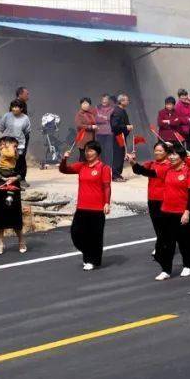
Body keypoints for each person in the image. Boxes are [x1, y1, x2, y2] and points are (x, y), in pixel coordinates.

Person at [129, 144, 190, 280]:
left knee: (184, 241)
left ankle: (187, 265)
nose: (172, 157)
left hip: (182, 212)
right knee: (166, 242)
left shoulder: (189, 172)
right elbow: (148, 173)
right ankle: (166, 269)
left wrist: (187, 212)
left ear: (182, 157)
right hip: (166, 211)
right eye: (170, 154)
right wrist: (133, 163)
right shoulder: (167, 170)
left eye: (175, 155)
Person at [59, 141, 111, 270]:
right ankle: (88, 253)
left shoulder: (103, 168)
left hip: (97, 208)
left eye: (91, 150)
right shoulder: (81, 166)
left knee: (95, 236)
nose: (88, 153)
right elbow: (64, 170)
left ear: (97, 153)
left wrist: (107, 203)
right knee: (76, 233)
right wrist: (64, 158)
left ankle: (92, 260)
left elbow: (107, 187)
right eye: (87, 150)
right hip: (82, 207)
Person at [131, 141, 170, 259]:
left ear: (166, 152)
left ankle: (162, 247)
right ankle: (163, 244)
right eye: (156, 150)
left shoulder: (168, 165)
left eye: (160, 151)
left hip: (165, 200)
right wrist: (132, 162)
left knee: (164, 226)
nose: (157, 153)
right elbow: (138, 170)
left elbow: (149, 173)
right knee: (157, 225)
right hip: (152, 199)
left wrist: (134, 163)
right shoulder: (151, 163)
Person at [0, 136, 27, 255]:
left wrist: (15, 178)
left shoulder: (20, 158)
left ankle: (21, 241)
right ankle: (0, 244)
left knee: (15, 215)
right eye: (13, 145)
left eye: (16, 146)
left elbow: (23, 171)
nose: (15, 148)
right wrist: (3, 178)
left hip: (13, 189)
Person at [109, 93, 133, 181]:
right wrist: (126, 127)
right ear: (121, 101)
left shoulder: (122, 110)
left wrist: (128, 127)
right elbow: (114, 126)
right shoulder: (117, 111)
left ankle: (118, 174)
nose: (128, 101)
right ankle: (115, 175)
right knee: (118, 155)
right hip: (118, 136)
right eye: (126, 100)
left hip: (122, 136)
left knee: (121, 154)